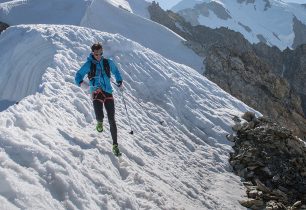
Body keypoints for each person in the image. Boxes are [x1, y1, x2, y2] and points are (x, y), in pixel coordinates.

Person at [75, 42, 123, 156]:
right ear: (92, 53)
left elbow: (116, 72)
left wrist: (119, 81)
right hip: (96, 91)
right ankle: (99, 122)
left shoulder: (107, 62)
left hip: (108, 91)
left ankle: (115, 145)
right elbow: (78, 76)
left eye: (100, 53)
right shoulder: (88, 64)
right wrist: (83, 84)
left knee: (112, 119)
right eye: (96, 54)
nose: (98, 56)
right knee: (99, 115)